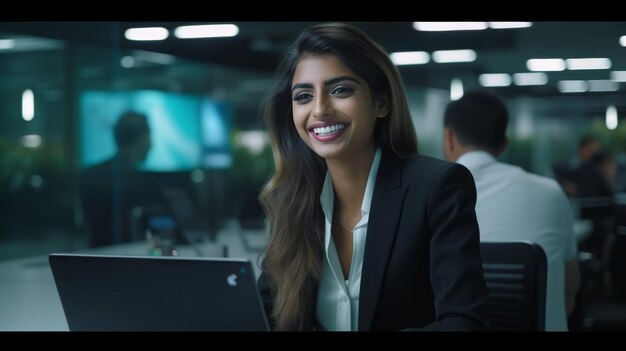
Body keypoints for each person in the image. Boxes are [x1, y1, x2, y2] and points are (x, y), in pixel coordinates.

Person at [257, 23, 489, 331]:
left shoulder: (437, 186)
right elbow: (264, 313)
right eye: (303, 96)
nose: (320, 109)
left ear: (381, 102)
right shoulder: (292, 199)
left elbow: (465, 323)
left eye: (340, 90)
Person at [442, 89, 580, 331]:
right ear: (504, 144)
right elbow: (568, 295)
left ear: (449, 137)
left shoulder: (431, 198)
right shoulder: (550, 192)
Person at [80, 111, 159, 248]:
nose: (151, 145)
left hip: (95, 258)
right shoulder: (141, 181)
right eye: (149, 138)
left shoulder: (90, 175)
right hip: (130, 257)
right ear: (141, 138)